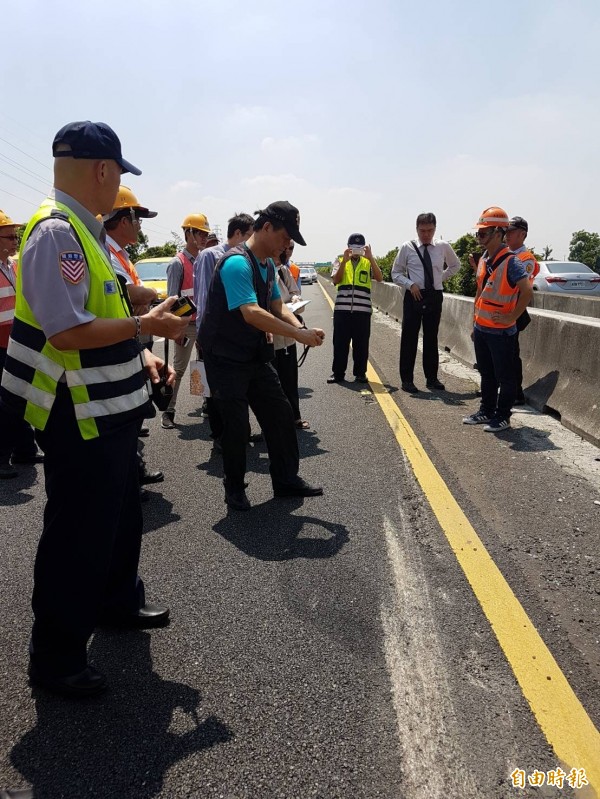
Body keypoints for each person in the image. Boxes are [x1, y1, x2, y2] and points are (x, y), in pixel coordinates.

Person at [0, 120, 188, 697]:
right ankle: (56, 660)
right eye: (120, 176)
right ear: (102, 170)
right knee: (77, 534)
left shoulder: (86, 236)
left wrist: (144, 348)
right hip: (79, 412)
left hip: (112, 403)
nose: (119, 191)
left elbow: (101, 302)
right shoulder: (57, 234)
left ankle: (115, 602)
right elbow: (66, 330)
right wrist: (144, 326)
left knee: (117, 518)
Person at [199, 201, 325, 511]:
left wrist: (301, 327)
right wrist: (297, 335)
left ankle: (285, 480)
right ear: (266, 227)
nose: (287, 244)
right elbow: (252, 312)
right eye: (285, 236)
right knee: (237, 426)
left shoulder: (268, 265)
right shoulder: (236, 263)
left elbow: (276, 305)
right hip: (223, 357)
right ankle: (234, 487)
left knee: (281, 415)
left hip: (252, 354)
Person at [103, 186, 165, 488]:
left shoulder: (120, 253)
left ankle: (133, 469)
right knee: (127, 410)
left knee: (135, 406)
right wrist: (151, 294)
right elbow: (132, 295)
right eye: (138, 218)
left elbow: (134, 301)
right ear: (124, 218)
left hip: (135, 334)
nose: (141, 226)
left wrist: (141, 299)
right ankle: (129, 475)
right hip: (124, 336)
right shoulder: (106, 252)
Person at [463, 206, 533, 432]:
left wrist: (511, 316)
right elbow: (480, 292)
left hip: (502, 332)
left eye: (483, 233)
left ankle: (503, 416)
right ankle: (486, 410)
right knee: (487, 373)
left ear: (498, 233)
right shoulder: (484, 259)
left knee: (506, 376)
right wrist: (475, 321)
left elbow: (527, 291)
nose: (479, 238)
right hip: (482, 328)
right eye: (479, 233)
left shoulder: (512, 261)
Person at [193, 213, 254, 444]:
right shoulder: (211, 255)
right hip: (212, 332)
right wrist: (201, 333)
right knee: (210, 386)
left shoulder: (245, 257)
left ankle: (238, 433)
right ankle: (219, 436)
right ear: (237, 233)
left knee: (234, 389)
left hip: (234, 334)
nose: (251, 240)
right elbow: (203, 295)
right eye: (249, 235)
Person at [391, 213, 461, 393]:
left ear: (435, 229)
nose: (426, 235)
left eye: (430, 230)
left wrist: (440, 279)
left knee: (431, 338)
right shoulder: (407, 247)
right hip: (413, 295)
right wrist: (410, 284)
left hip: (434, 295)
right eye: (422, 231)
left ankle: (432, 379)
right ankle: (407, 380)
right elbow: (396, 273)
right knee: (409, 338)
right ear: (417, 229)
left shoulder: (443, 246)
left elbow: (455, 265)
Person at [0, 210, 43, 479]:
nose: (15, 240)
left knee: (19, 396)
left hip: (14, 341)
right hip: (0, 344)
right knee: (5, 403)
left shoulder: (12, 265)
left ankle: (24, 449)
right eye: (9, 235)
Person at [162, 212, 210, 429]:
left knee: (201, 365)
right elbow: (172, 299)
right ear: (189, 233)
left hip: (202, 323)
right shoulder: (177, 263)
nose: (204, 238)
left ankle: (205, 403)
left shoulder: (203, 259)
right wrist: (177, 329)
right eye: (200, 233)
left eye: (205, 234)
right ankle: (168, 411)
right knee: (180, 368)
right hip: (185, 324)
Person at [328, 233, 383, 384]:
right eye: (353, 248)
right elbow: (335, 280)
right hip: (342, 311)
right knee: (340, 343)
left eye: (359, 248)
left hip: (363, 312)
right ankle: (338, 373)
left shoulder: (368, 261)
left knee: (361, 344)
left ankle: (360, 374)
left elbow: (379, 278)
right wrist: (344, 262)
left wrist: (371, 258)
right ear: (348, 247)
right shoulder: (339, 260)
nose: (356, 251)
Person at [505, 216, 539, 405]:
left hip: (514, 311)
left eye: (511, 232)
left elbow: (519, 287)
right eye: (506, 232)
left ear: (522, 234)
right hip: (504, 310)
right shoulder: (506, 255)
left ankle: (516, 393)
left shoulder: (525, 259)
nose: (507, 235)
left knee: (511, 353)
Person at [273, 249, 308, 429]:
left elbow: (295, 292)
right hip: (270, 337)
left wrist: (295, 299)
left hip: (289, 337)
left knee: (290, 379)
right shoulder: (258, 270)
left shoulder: (283, 270)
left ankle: (295, 417)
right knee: (272, 384)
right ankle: (274, 424)